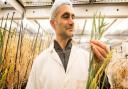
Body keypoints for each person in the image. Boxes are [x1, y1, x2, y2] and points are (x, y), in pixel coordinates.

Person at [26, 0, 109, 89]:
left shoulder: (87, 58)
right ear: (53, 23)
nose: (72, 22)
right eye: (66, 16)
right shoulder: (40, 62)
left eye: (73, 17)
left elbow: (104, 87)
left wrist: (101, 69)